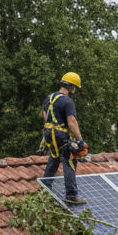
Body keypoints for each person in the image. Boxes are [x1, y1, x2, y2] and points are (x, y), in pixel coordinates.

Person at [41, 72, 87, 205]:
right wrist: (79, 139)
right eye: (75, 88)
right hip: (60, 134)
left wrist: (51, 126)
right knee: (69, 159)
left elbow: (44, 113)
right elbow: (71, 121)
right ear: (71, 87)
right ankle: (71, 195)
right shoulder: (67, 101)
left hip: (48, 133)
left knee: (54, 157)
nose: (74, 91)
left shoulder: (49, 97)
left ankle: (45, 189)